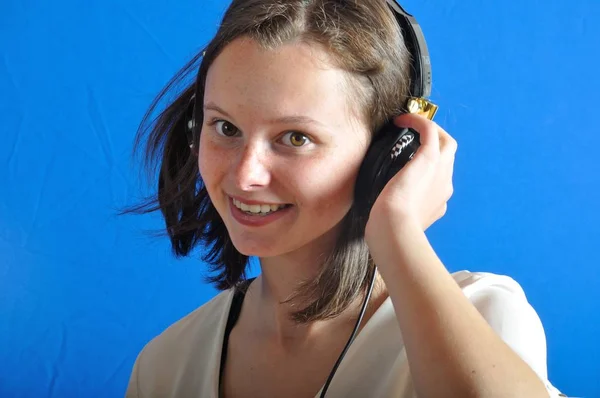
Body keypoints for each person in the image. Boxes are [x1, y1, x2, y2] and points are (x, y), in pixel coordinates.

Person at [124, 0, 565, 397]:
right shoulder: (166, 364)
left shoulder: (487, 316)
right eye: (225, 128)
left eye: (295, 137)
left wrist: (396, 230)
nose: (245, 174)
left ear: (388, 154)